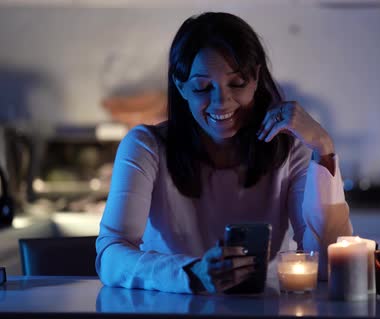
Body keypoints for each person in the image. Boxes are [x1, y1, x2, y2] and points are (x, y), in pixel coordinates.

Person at [96, 11, 352, 295]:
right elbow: (110, 256)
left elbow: (331, 263)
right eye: (203, 87)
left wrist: (323, 146)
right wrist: (192, 273)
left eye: (237, 83)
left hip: (261, 312)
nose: (221, 102)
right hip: (171, 312)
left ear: (255, 78)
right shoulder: (146, 146)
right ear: (181, 87)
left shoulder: (289, 149)